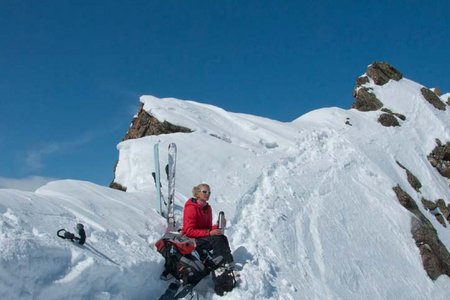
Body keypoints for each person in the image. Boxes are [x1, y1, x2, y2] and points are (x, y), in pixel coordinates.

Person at [181, 183, 234, 267]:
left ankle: (228, 262)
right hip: (190, 240)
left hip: (201, 237)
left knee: (222, 238)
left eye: (209, 192)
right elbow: (189, 231)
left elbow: (207, 228)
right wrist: (209, 233)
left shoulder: (207, 208)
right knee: (217, 240)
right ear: (197, 193)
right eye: (204, 192)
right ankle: (218, 267)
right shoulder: (191, 208)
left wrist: (218, 225)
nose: (207, 194)